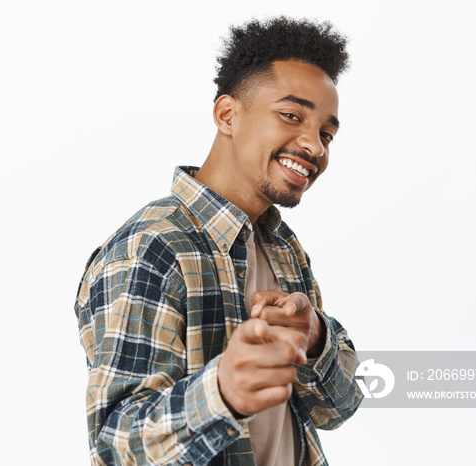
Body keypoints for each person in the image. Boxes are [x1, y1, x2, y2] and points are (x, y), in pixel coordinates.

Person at [74, 17, 363, 466]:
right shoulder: (152, 247)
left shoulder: (283, 248)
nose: (315, 146)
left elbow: (337, 407)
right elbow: (116, 444)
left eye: (327, 133)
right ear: (227, 114)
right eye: (292, 115)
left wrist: (314, 336)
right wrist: (222, 393)